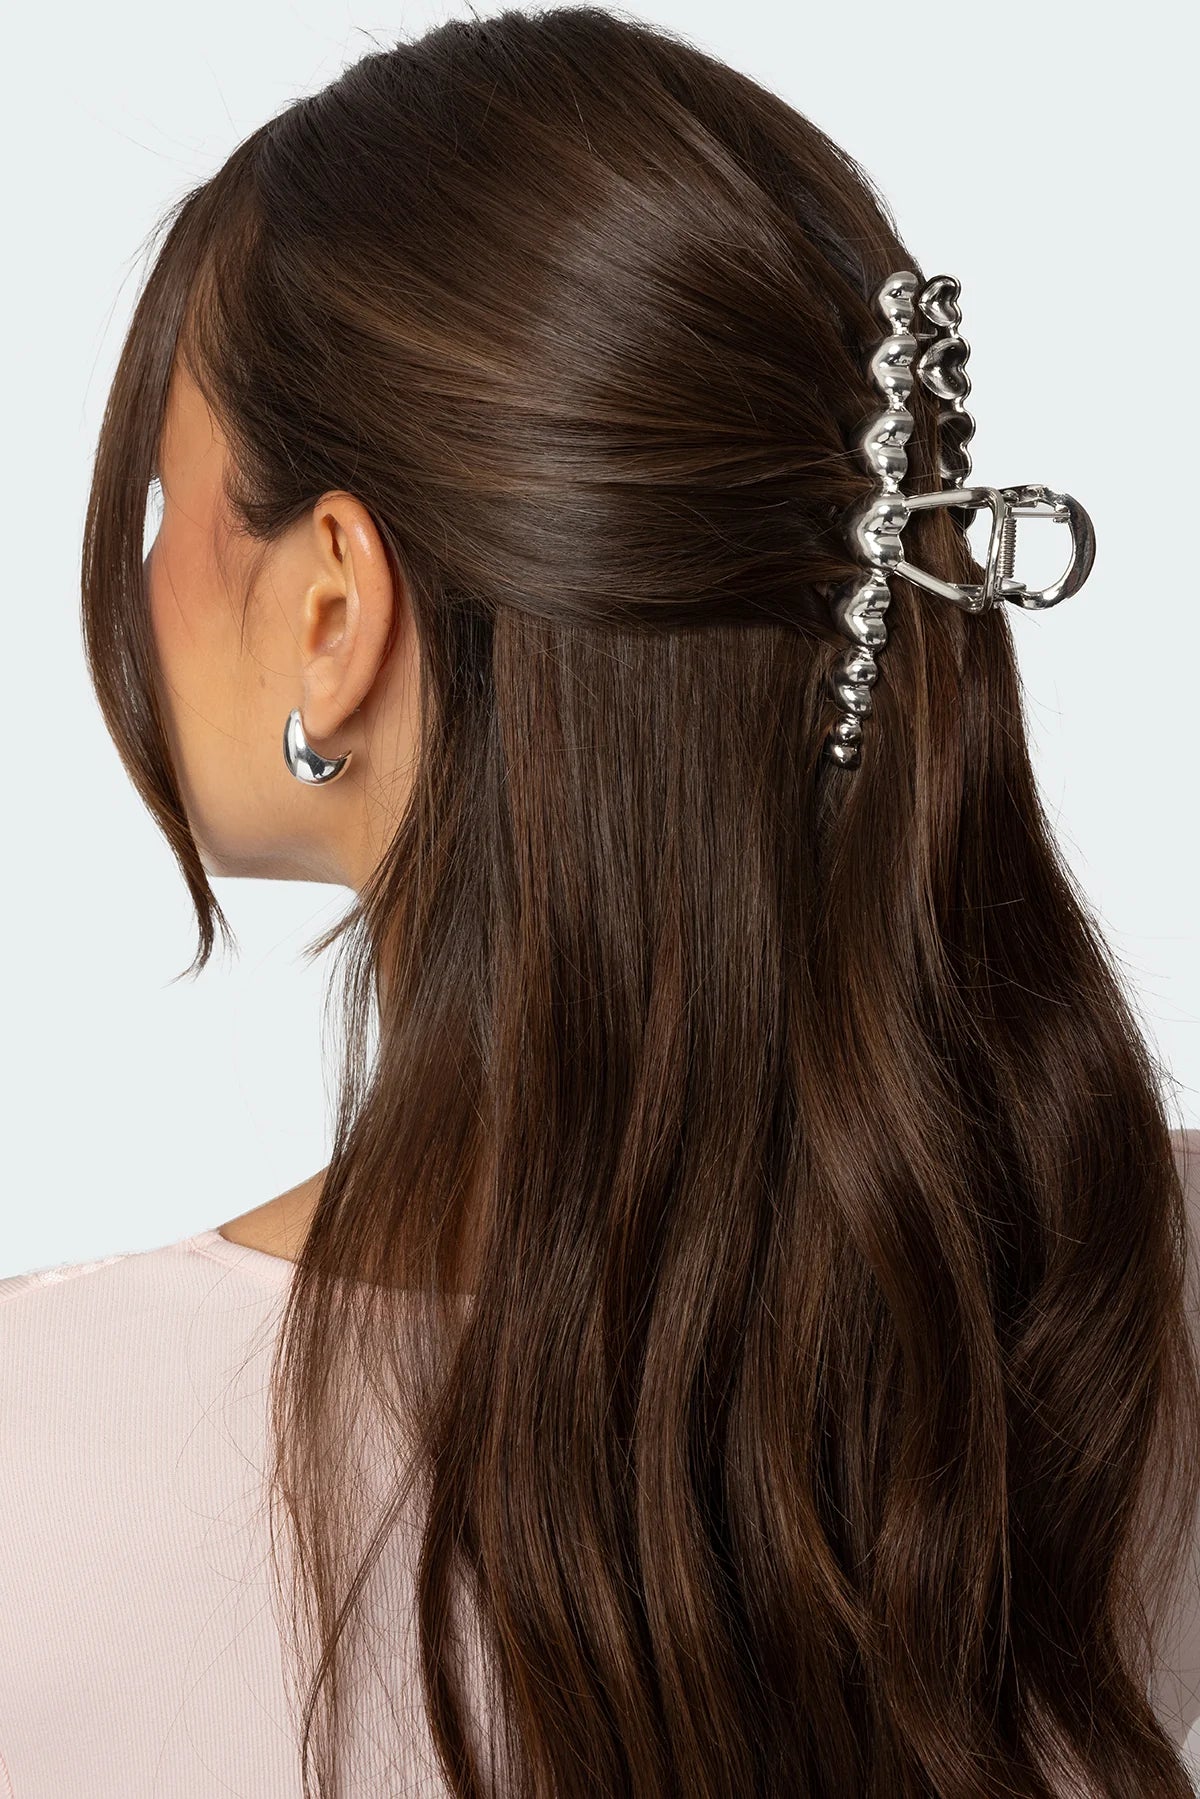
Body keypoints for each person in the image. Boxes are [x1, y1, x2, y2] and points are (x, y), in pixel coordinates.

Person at [2, 9, 1198, 1796]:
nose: (142, 564)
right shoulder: (1121, 1289)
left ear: (335, 610)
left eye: (173, 501)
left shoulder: (42, 1463)